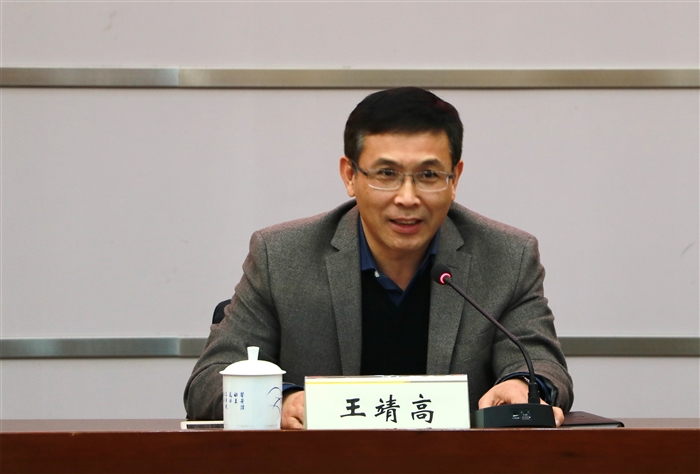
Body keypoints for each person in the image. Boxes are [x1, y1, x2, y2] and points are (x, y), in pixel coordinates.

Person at [184, 87, 573, 428]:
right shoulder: (282, 256)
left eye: (429, 175)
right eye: (386, 174)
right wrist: (282, 401)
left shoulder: (507, 257)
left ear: (454, 179)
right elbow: (209, 383)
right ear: (349, 176)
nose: (407, 197)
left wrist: (523, 385)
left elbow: (542, 365)